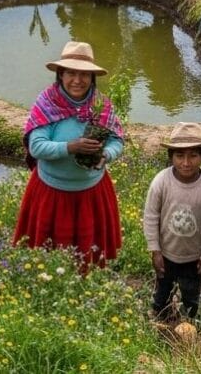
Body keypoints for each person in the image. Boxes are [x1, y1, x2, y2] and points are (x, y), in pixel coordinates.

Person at [13, 41, 124, 273]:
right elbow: (36, 147)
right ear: (60, 75)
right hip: (52, 194)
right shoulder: (47, 103)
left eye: (84, 74)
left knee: (87, 255)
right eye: (71, 73)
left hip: (90, 193)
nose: (77, 80)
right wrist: (71, 147)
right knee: (49, 257)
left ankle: (83, 287)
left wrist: (106, 154)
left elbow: (117, 140)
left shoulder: (100, 105)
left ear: (92, 78)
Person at [142, 122, 201, 322]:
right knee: (162, 290)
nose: (186, 162)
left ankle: (190, 322)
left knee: (191, 293)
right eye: (179, 156)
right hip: (166, 254)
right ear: (171, 157)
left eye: (193, 155)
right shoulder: (161, 182)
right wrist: (155, 249)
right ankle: (160, 317)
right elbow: (151, 216)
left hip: (194, 258)